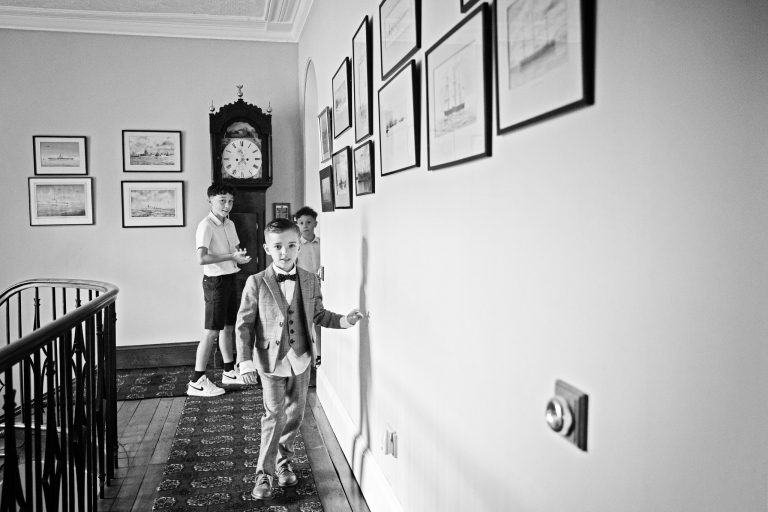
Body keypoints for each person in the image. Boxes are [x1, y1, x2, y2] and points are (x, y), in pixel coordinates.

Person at [235, 218, 363, 500]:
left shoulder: (310, 279)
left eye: (291, 245)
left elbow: (319, 314)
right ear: (267, 248)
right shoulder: (256, 282)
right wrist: (244, 361)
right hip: (270, 361)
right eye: (278, 246)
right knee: (274, 415)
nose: (285, 252)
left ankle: (284, 464)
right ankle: (264, 474)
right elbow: (243, 325)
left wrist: (344, 320)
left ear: (299, 247)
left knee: (295, 415)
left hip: (302, 358)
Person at [189, 183, 252, 397]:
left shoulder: (229, 223)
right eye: (222, 201)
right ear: (210, 201)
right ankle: (196, 381)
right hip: (215, 282)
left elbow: (234, 249)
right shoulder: (205, 225)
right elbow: (202, 258)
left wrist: (239, 257)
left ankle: (229, 371)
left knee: (228, 327)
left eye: (230, 201)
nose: (227, 205)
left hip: (230, 278)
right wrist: (231, 257)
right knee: (211, 332)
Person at [294, 206, 321, 276]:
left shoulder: (322, 243)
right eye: (301, 223)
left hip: (322, 280)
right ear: (297, 225)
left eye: (308, 222)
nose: (305, 226)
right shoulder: (295, 245)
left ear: (315, 224)